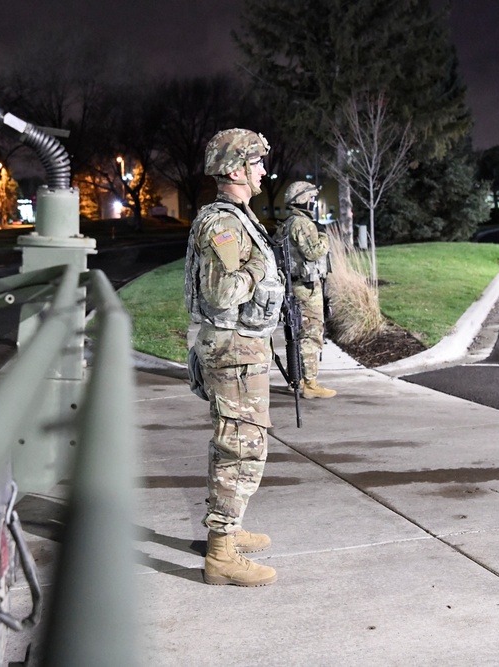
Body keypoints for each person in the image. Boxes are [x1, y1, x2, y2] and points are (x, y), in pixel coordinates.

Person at [184, 128, 283, 587]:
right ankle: (221, 552)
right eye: (257, 163)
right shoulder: (224, 224)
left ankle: (229, 526)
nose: (263, 170)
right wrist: (260, 268)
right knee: (241, 447)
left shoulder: (237, 218)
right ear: (236, 169)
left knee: (237, 442)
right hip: (234, 352)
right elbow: (222, 293)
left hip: (240, 349)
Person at [275, 181, 337, 399]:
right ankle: (310, 384)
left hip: (296, 286)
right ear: (302, 200)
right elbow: (313, 252)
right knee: (311, 334)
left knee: (298, 335)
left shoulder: (288, 223)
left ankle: (297, 380)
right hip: (306, 289)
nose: (313, 203)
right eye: (311, 199)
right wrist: (324, 236)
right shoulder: (302, 223)